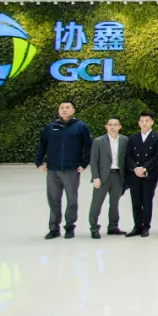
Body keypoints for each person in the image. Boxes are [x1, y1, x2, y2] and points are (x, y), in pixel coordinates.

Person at [34, 99, 92, 240]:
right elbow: (42, 145)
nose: (64, 110)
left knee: (72, 200)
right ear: (58, 111)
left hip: (72, 169)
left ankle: (70, 227)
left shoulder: (81, 127)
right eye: (62, 108)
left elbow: (89, 146)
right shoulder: (50, 127)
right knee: (53, 200)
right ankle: (54, 229)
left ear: (73, 110)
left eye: (67, 107)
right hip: (52, 170)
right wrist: (39, 162)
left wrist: (84, 163)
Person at [88, 116, 127, 239]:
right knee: (96, 203)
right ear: (106, 126)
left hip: (118, 176)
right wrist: (95, 177)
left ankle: (113, 227)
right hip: (103, 177)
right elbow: (93, 161)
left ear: (120, 127)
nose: (113, 127)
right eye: (110, 124)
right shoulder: (99, 141)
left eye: (115, 124)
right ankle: (94, 228)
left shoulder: (125, 140)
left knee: (114, 203)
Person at [125, 111, 158, 238]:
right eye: (142, 121)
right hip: (134, 174)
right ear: (139, 123)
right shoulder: (133, 138)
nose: (144, 123)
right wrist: (135, 168)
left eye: (147, 121)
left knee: (147, 200)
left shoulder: (157, 137)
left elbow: (157, 156)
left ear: (152, 122)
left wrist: (145, 167)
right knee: (136, 201)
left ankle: (146, 227)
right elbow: (128, 155)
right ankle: (137, 226)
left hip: (149, 174)